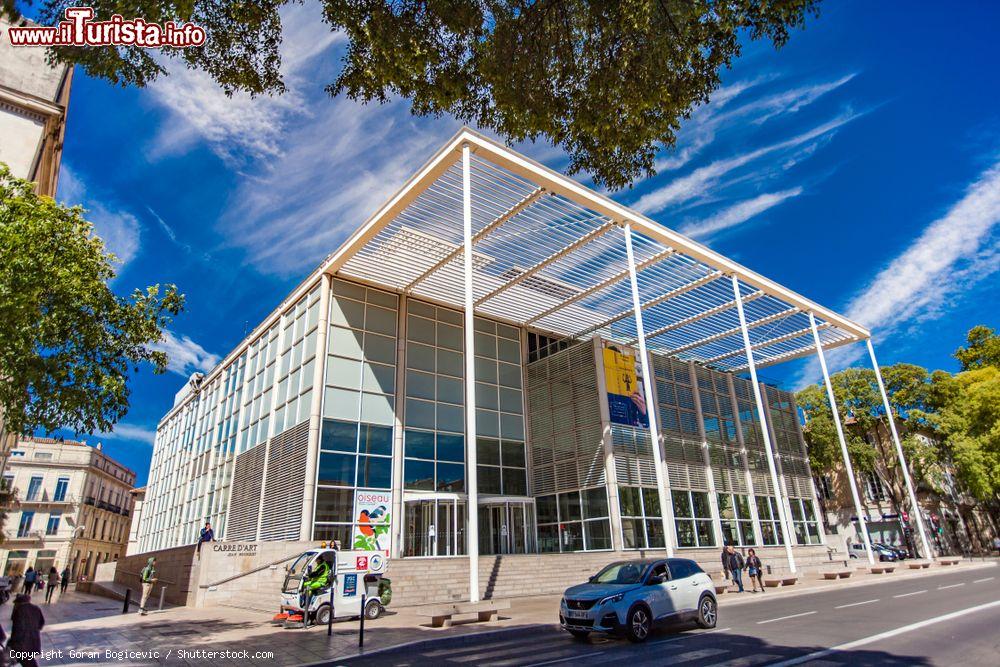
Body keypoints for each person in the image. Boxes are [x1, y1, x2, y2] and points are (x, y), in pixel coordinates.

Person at [8, 594, 45, 667]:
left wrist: (12, 642)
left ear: (19, 602)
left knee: (27, 661)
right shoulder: (36, 608)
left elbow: (17, 628)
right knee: (28, 660)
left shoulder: (19, 611)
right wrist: (33, 629)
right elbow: (41, 623)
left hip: (21, 643)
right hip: (33, 640)